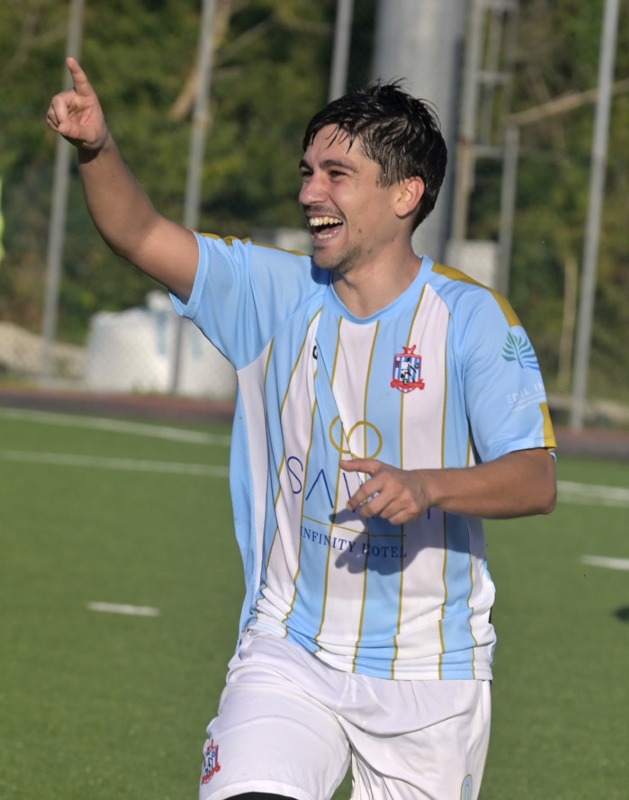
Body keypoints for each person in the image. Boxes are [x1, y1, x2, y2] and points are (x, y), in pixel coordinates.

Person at [47, 58, 557, 800]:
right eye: (308, 170)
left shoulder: (471, 317)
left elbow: (535, 477)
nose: (309, 192)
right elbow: (139, 233)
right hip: (288, 651)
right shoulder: (274, 292)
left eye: (337, 174)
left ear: (406, 194)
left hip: (430, 678)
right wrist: (97, 148)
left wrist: (425, 486)